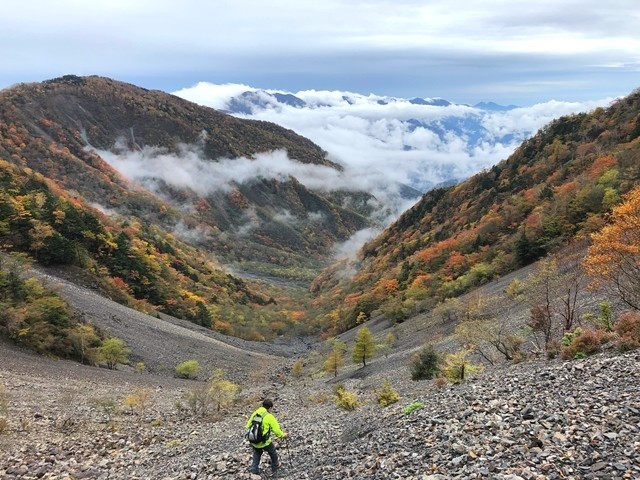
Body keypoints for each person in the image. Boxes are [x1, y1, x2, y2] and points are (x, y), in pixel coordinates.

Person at [245, 398, 287, 475]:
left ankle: (254, 470)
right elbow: (276, 430)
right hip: (265, 441)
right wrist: (283, 435)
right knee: (273, 453)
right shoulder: (269, 416)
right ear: (270, 408)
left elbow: (247, 426)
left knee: (257, 454)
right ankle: (275, 467)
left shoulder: (255, 413)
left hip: (254, 441)